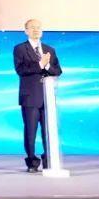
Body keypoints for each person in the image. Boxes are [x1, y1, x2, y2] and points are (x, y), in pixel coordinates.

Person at [13, 18, 63, 172]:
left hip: (48, 97)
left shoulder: (49, 49)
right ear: (26, 31)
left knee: (48, 130)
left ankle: (49, 159)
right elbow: (21, 70)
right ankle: (32, 162)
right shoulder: (20, 49)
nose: (36, 30)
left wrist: (47, 66)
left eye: (38, 27)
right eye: (32, 27)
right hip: (30, 97)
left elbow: (58, 71)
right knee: (31, 131)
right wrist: (40, 64)